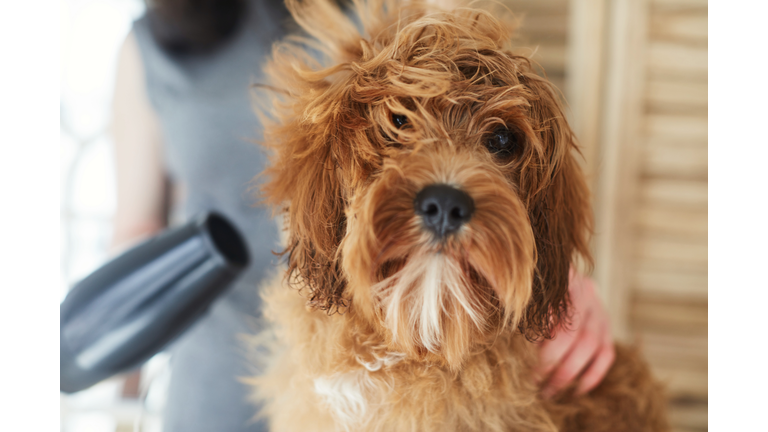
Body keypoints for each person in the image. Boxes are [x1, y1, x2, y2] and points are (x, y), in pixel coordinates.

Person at [110, 1, 614, 430]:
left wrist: (561, 282)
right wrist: (118, 381)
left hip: (425, 378)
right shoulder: (152, 46)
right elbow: (137, 230)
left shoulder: (416, 11)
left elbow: (498, 147)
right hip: (211, 392)